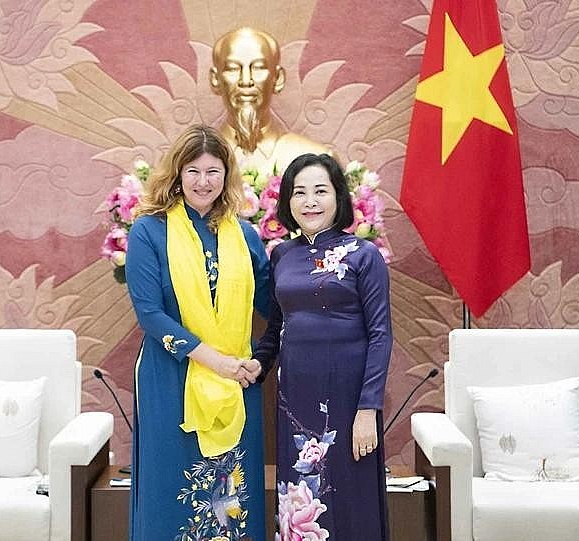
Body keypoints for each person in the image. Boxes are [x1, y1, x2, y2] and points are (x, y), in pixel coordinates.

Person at [125, 124, 271, 540]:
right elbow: (151, 315)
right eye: (193, 171)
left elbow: (273, 305)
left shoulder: (244, 235)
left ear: (226, 176)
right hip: (171, 377)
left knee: (231, 498)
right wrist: (216, 362)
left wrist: (259, 358)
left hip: (238, 380)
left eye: (213, 171)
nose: (203, 182)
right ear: (176, 174)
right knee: (171, 486)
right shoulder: (149, 231)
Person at [253, 153, 392, 540]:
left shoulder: (365, 255)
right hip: (295, 398)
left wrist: (368, 409)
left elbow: (381, 334)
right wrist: (257, 365)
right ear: (287, 202)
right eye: (299, 192)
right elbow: (277, 326)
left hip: (349, 400)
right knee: (300, 497)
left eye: (320, 191)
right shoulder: (281, 254)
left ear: (338, 198)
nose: (309, 201)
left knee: (350, 497)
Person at [210, 27, 330, 173]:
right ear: (215, 79)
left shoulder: (315, 162)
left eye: (258, 68)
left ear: (278, 78)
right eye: (233, 68)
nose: (246, 80)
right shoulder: (190, 162)